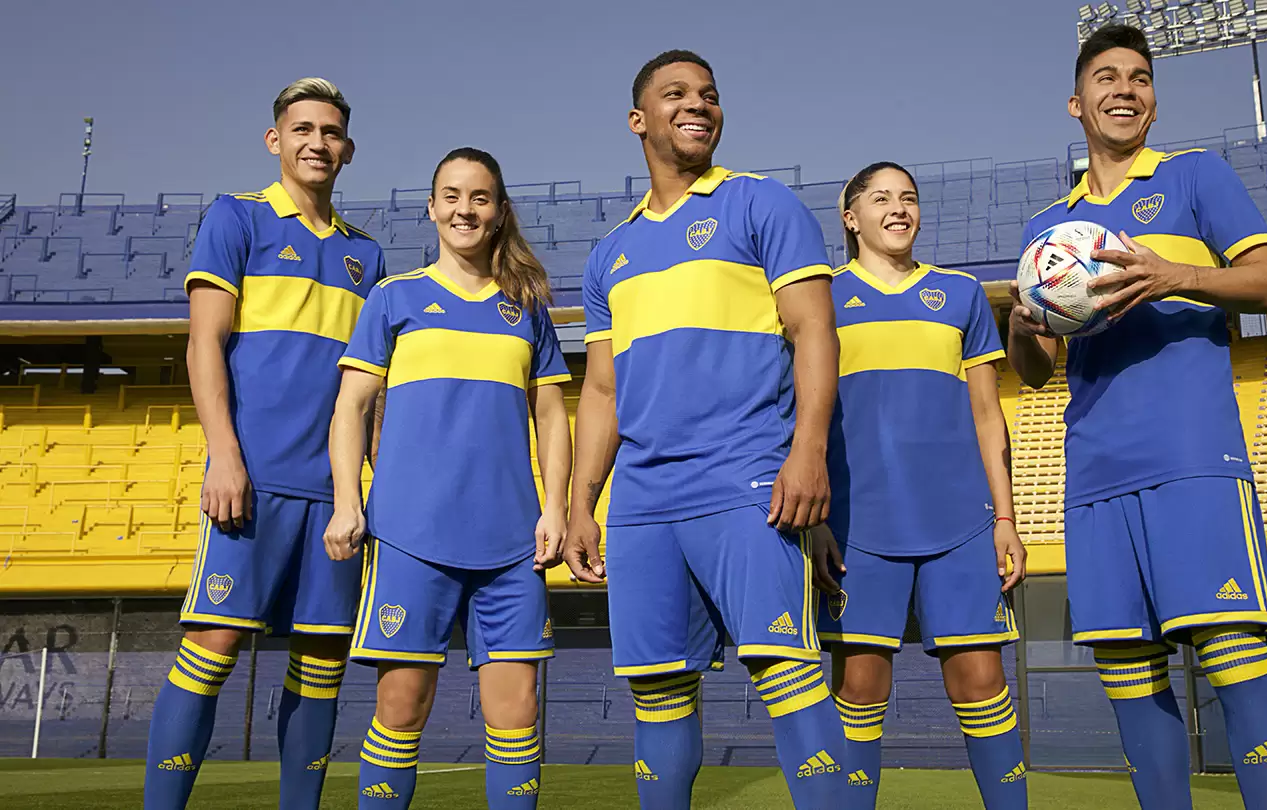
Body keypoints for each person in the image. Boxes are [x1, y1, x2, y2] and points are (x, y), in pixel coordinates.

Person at [1008, 24, 1267, 810]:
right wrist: (1021, 325)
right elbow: (1034, 372)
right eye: (1106, 77)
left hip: (1193, 460)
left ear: (1154, 103)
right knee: (1129, 676)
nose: (1125, 89)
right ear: (1077, 103)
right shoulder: (1048, 230)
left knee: (1234, 661)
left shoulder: (1196, 176)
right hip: (1095, 475)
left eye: (1139, 78)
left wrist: (1177, 275)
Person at [563, 50, 850, 809]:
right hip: (642, 500)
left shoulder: (762, 204)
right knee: (657, 693)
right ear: (638, 120)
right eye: (676, 93)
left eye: (709, 94)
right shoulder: (610, 254)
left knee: (787, 673)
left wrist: (809, 452)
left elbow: (814, 331)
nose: (698, 104)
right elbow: (602, 390)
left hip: (745, 477)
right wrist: (580, 504)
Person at [146, 77, 384, 810]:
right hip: (251, 480)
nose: (318, 142)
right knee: (213, 649)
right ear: (275, 140)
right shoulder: (237, 217)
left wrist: (375, 486)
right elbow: (204, 345)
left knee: (321, 662)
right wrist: (224, 455)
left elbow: (368, 392)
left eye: (332, 132)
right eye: (303, 129)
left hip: (334, 495)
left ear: (349, 149)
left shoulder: (367, 256)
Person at [325, 147, 572, 810]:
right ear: (432, 207)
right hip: (410, 536)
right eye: (453, 196)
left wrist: (556, 508)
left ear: (499, 212)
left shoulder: (527, 309)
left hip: (512, 544)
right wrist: (348, 502)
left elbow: (552, 415)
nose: (466, 209)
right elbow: (350, 407)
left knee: (518, 712)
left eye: (480, 197)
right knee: (402, 706)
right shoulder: (393, 297)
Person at [819, 161, 1027, 809]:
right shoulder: (822, 297)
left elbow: (988, 414)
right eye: (881, 198)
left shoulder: (960, 294)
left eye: (908, 197)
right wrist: (817, 519)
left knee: (981, 682)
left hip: (961, 522)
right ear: (851, 218)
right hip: (856, 527)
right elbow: (804, 415)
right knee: (859, 688)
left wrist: (1005, 519)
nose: (898, 208)